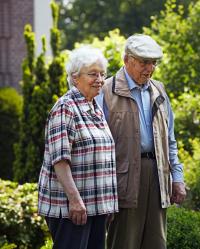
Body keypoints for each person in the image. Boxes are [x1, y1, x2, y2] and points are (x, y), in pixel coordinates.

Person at [96, 34, 186, 249]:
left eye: (153, 63)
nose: (150, 68)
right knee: (124, 244)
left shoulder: (159, 90)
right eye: (144, 62)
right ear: (127, 60)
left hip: (157, 176)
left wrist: (178, 177)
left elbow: (170, 140)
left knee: (157, 244)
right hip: (123, 180)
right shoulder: (106, 91)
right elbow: (97, 146)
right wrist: (103, 192)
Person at [38, 46, 118, 249]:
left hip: (96, 206)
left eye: (102, 74)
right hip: (72, 208)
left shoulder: (94, 108)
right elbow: (60, 160)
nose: (99, 79)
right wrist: (75, 201)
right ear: (75, 78)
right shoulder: (66, 108)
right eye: (92, 74)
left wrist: (107, 205)